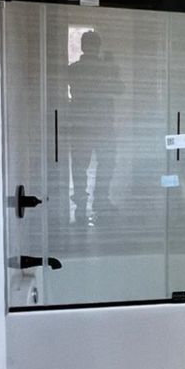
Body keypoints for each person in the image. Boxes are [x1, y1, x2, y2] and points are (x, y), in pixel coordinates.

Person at [64, 28, 123, 223]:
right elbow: (119, 88)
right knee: (106, 162)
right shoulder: (104, 68)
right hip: (102, 122)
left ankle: (82, 202)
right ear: (98, 47)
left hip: (82, 123)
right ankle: (100, 199)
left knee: (80, 165)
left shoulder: (73, 69)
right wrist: (111, 68)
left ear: (83, 46)